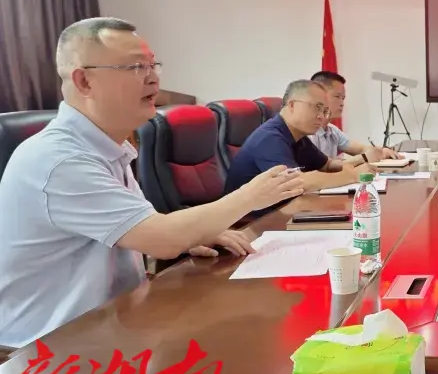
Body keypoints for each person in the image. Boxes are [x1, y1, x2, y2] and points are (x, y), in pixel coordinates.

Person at [0, 18, 304, 348]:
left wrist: (195, 232)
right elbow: (161, 240)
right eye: (135, 67)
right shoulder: (60, 160)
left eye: (152, 65)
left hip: (113, 324)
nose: (154, 78)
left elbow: (146, 230)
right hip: (47, 351)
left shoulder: (108, 147)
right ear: (84, 81)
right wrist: (250, 196)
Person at [225, 79, 373, 204]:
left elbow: (327, 165)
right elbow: (295, 183)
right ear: (292, 105)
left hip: (285, 210)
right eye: (317, 108)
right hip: (251, 222)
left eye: (325, 111)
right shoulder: (269, 138)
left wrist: (364, 161)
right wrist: (353, 175)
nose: (322, 117)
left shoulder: (298, 136)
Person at [309, 71, 401, 163]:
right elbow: (321, 169)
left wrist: (382, 151)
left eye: (343, 98)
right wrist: (364, 158)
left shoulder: (332, 131)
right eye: (337, 96)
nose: (342, 103)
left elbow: (361, 149)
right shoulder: (307, 134)